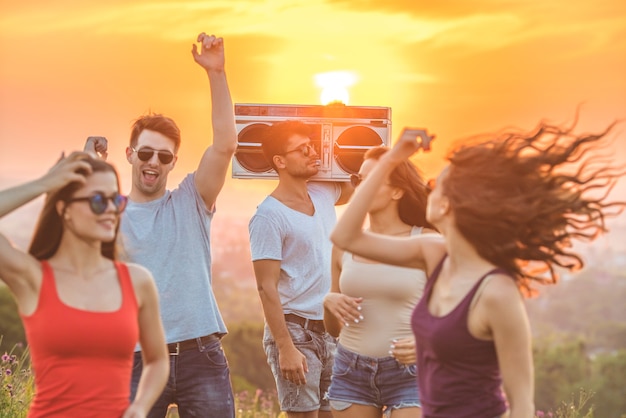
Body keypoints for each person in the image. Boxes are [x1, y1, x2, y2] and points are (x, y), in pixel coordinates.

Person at [330, 122, 625, 418]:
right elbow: (345, 237)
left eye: (436, 187)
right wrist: (390, 159)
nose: (426, 189)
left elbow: (521, 405)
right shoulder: (431, 253)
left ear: (449, 206)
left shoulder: (497, 292)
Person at [85, 32, 237, 417]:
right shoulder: (109, 212)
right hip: (134, 357)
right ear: (130, 154)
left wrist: (217, 73)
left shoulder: (191, 199)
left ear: (173, 162)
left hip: (199, 354)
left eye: (164, 156)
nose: (154, 162)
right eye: (146, 152)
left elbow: (224, 146)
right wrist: (88, 167)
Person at [0, 152, 169, 418]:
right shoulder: (34, 278)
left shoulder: (137, 281)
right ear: (64, 209)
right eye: (98, 201)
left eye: (116, 200)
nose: (112, 210)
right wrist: (44, 184)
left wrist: (140, 407)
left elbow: (158, 360)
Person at [248, 120, 354, 418]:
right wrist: (285, 347)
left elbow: (353, 180)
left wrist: (332, 130)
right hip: (295, 332)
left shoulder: (322, 195)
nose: (312, 153)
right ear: (279, 161)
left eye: (312, 147)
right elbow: (265, 287)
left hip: (331, 330)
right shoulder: (268, 216)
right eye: (302, 149)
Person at [323, 146, 436, 418]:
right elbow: (334, 330)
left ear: (397, 191)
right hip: (351, 370)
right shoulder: (343, 246)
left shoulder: (426, 241)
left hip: (411, 371)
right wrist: (328, 302)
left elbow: (455, 314)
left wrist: (426, 341)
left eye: (373, 179)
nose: (362, 187)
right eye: (358, 179)